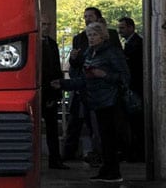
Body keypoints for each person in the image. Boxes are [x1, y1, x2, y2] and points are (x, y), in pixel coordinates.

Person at [52, 21, 129, 183]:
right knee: (102, 136)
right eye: (89, 35)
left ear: (103, 36)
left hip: (109, 100)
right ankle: (107, 169)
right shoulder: (90, 52)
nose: (92, 38)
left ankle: (113, 171)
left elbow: (124, 77)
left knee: (108, 137)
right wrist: (64, 83)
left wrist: (104, 75)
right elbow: (83, 78)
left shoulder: (111, 53)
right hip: (94, 100)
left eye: (94, 35)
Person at [40, 14, 69, 169]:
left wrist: (57, 90)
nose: (47, 27)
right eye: (44, 24)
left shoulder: (52, 43)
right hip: (40, 89)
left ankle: (55, 159)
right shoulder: (34, 43)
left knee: (52, 127)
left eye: (48, 24)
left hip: (50, 90)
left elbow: (56, 68)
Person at [118, 16, 145, 162]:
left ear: (131, 27)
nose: (120, 31)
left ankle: (137, 153)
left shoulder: (136, 44)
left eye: (122, 28)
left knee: (136, 123)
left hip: (135, 88)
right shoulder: (131, 43)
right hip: (133, 87)